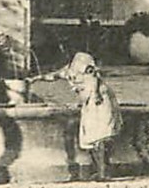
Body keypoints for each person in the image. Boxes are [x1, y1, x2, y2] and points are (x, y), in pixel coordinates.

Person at [32, 51, 122, 180]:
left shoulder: (81, 61)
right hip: (89, 103)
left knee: (100, 135)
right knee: (90, 137)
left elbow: (94, 77)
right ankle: (99, 170)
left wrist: (95, 94)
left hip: (100, 100)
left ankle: (103, 172)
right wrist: (36, 78)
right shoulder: (68, 70)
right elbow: (54, 76)